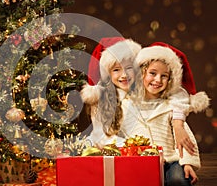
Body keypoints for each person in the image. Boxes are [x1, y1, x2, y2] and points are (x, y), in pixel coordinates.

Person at [120, 45, 202, 185]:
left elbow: (184, 138)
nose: (158, 80)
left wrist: (187, 163)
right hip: (140, 160)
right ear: (142, 74)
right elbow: (121, 135)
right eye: (153, 73)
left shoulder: (171, 107)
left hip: (171, 160)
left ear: (170, 80)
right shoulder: (127, 105)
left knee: (178, 180)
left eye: (164, 76)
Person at [80, 37, 142, 147]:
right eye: (116, 70)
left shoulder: (142, 94)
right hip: (115, 153)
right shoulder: (103, 100)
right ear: (108, 74)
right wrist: (133, 145)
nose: (124, 75)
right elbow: (102, 137)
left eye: (128, 68)